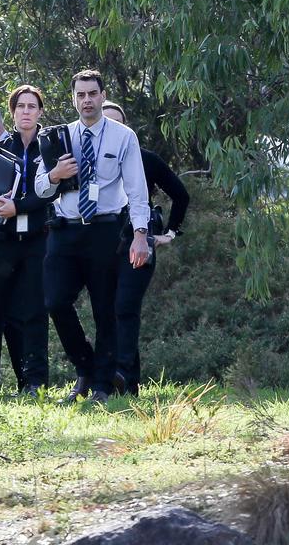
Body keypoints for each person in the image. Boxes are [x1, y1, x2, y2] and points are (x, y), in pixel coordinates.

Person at [34, 70, 151, 403]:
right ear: (73, 98)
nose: (86, 101)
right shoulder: (58, 137)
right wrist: (56, 175)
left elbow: (137, 190)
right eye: (80, 95)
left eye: (92, 94)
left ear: (102, 95)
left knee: (105, 310)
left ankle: (101, 385)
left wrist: (140, 234)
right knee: (55, 300)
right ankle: (85, 367)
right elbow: (41, 188)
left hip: (105, 229)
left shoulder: (122, 136)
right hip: (65, 231)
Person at [0, 86, 54, 397]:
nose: (26, 111)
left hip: (36, 240)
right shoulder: (1, 148)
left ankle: (35, 383)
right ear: (12, 113)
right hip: (2, 239)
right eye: (20, 107)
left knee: (34, 312)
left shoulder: (50, 146)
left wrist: (21, 207)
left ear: (40, 111)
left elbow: (57, 192)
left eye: (32, 106)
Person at [101, 101, 190, 396]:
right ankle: (127, 383)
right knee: (110, 311)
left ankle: (122, 373)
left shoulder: (145, 159)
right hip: (101, 245)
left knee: (125, 307)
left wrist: (170, 233)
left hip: (138, 242)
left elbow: (181, 195)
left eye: (117, 123)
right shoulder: (92, 159)